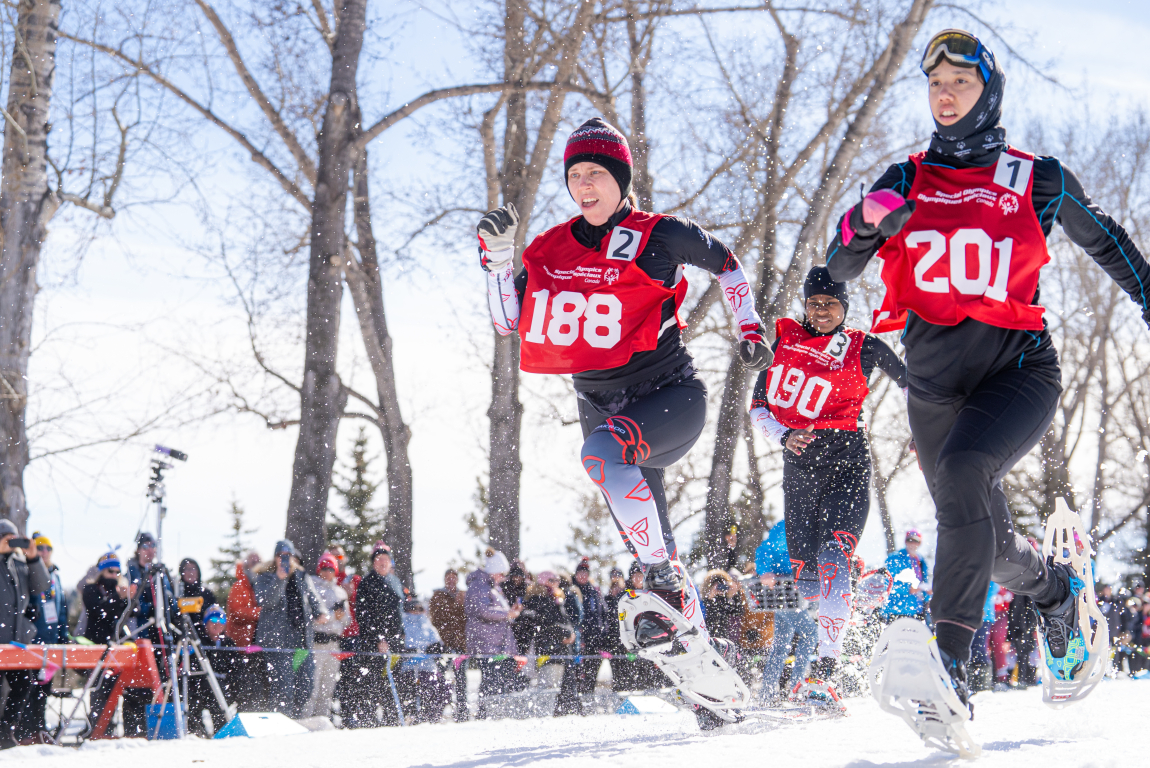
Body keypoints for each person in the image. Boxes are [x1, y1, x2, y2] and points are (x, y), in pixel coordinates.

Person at [824, 28, 1150, 713]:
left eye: (960, 85)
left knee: (967, 474)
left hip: (1019, 373)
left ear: (988, 93)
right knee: (990, 542)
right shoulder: (906, 180)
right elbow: (838, 271)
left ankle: (949, 668)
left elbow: (1108, 240)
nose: (945, 97)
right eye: (936, 85)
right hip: (933, 390)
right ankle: (1056, 592)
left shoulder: (1036, 179)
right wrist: (862, 224)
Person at [478, 117, 772, 637]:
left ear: (621, 178)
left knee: (602, 458)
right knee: (652, 543)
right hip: (598, 404)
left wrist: (749, 325)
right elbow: (507, 322)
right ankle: (697, 648)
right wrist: (498, 265)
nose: (584, 185)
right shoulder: (550, 247)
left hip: (668, 398)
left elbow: (727, 263)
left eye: (596, 172)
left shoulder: (661, 233)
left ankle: (663, 579)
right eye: (575, 176)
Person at [748, 266, 907, 696]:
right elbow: (758, 405)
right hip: (799, 466)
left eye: (830, 303)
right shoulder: (782, 342)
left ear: (844, 307)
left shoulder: (865, 346)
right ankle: (862, 592)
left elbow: (913, 385)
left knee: (833, 556)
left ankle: (826, 673)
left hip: (847, 460)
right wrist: (783, 435)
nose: (821, 311)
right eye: (814, 303)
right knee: (806, 581)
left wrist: (924, 433)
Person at [252, 540, 328, 718]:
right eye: (281, 555)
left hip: (301, 640)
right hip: (277, 642)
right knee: (282, 687)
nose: (284, 559)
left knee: (306, 685)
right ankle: (280, 722)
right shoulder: (265, 576)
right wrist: (279, 579)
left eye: (288, 555)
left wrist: (321, 612)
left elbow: (313, 598)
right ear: (275, 557)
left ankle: (295, 718)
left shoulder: (301, 576)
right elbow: (266, 601)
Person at [749, 523, 816, 704]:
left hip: (789, 594)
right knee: (810, 634)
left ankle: (767, 694)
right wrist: (765, 572)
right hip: (783, 593)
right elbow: (766, 548)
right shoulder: (790, 525)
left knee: (780, 647)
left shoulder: (806, 526)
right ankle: (796, 688)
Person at [0, 520, 50, 747]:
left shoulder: (21, 562)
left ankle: (5, 732)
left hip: (16, 641)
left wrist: (33, 557)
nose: (11, 542)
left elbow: (41, 586)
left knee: (23, 683)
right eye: (6, 538)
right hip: (1, 640)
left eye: (14, 538)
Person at [346, 541, 404, 728]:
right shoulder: (367, 583)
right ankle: (368, 720)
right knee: (370, 683)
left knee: (392, 681)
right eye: (379, 559)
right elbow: (363, 614)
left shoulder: (394, 581)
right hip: (373, 643)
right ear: (373, 563)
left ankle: (391, 719)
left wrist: (399, 635)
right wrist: (378, 637)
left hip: (394, 642)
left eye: (386, 559)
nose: (383, 563)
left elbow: (398, 612)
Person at [465, 548, 523, 719]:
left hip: (496, 645)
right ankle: (485, 714)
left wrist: (510, 612)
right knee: (490, 681)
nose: (503, 577)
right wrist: (507, 614)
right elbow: (482, 611)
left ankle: (494, 713)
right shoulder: (479, 585)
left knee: (498, 681)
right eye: (501, 573)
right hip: (487, 644)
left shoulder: (491, 587)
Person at [80, 551, 132, 737]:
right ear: (102, 571)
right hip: (96, 647)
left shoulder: (120, 591)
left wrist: (128, 599)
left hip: (116, 646)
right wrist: (118, 598)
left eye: (118, 572)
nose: (114, 575)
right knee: (99, 689)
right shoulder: (91, 589)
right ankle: (98, 728)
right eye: (110, 571)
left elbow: (130, 615)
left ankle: (109, 728)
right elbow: (99, 611)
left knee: (115, 688)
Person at [303, 552, 349, 719]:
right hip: (317, 643)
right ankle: (307, 720)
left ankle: (322, 721)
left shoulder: (340, 592)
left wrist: (341, 616)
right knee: (312, 686)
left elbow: (347, 621)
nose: (327, 572)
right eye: (324, 568)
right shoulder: (312, 587)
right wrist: (328, 616)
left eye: (330, 568)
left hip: (334, 644)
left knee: (327, 688)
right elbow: (311, 616)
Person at [397, 596, 451, 724]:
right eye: (413, 609)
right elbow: (400, 644)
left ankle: (431, 717)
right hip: (409, 666)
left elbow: (437, 643)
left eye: (419, 609)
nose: (416, 612)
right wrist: (409, 650)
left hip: (428, 666)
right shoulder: (402, 624)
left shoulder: (427, 625)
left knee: (441, 687)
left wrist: (436, 647)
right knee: (410, 688)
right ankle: (411, 716)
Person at [186, 605, 233, 736]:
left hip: (221, 686)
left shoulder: (228, 643)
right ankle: (198, 733)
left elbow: (236, 669)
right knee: (195, 700)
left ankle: (222, 732)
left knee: (220, 700)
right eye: (213, 620)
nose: (217, 624)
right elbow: (191, 665)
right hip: (200, 685)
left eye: (222, 621)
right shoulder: (197, 642)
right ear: (206, 623)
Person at [429, 568, 469, 721]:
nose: (451, 580)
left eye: (454, 577)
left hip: (461, 644)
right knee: (441, 677)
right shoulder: (437, 596)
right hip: (444, 644)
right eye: (448, 578)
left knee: (461, 680)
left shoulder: (463, 595)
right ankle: (437, 710)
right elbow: (435, 618)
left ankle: (462, 712)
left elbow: (467, 617)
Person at [571, 558, 608, 696]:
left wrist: (603, 632)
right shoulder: (572, 590)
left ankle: (588, 697)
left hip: (594, 639)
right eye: (580, 572)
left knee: (592, 672)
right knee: (577, 675)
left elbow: (603, 614)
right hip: (578, 639)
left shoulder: (594, 592)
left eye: (585, 573)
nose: (583, 575)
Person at [882, 530, 932, 622]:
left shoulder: (921, 561)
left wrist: (928, 595)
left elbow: (924, 584)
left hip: (918, 612)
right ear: (905, 541)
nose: (913, 543)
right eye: (910, 540)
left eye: (916, 541)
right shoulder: (895, 558)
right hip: (897, 611)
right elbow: (886, 584)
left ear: (920, 543)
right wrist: (908, 589)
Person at [176, 557, 216, 641]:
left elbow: (214, 616)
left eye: (193, 569)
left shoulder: (206, 594)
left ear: (198, 572)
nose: (190, 572)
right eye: (187, 569)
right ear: (181, 572)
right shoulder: (176, 593)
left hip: (204, 638)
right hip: (180, 636)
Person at [700, 570, 743, 642]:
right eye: (716, 585)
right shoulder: (703, 602)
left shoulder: (727, 601)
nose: (720, 588)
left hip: (725, 639)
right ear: (708, 586)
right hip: (708, 638)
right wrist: (710, 598)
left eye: (722, 584)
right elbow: (707, 618)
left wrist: (734, 594)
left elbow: (738, 613)